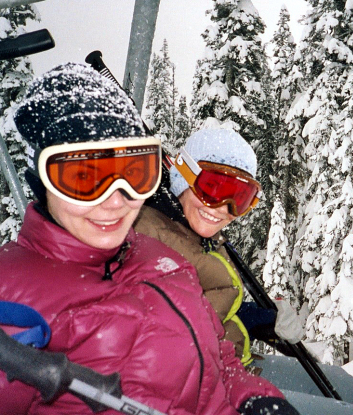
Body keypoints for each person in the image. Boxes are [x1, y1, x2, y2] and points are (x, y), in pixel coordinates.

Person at [0, 63, 300, 415]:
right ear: (42, 180)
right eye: (83, 178)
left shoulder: (158, 258)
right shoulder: (12, 300)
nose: (115, 201)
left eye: (133, 173)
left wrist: (255, 398)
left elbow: (216, 354)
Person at [134, 128, 353, 415]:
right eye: (213, 188)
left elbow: (204, 310)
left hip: (234, 361)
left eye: (240, 196)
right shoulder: (149, 238)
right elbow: (171, 340)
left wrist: (264, 321)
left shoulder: (193, 231)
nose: (223, 208)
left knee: (351, 390)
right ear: (182, 175)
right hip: (197, 388)